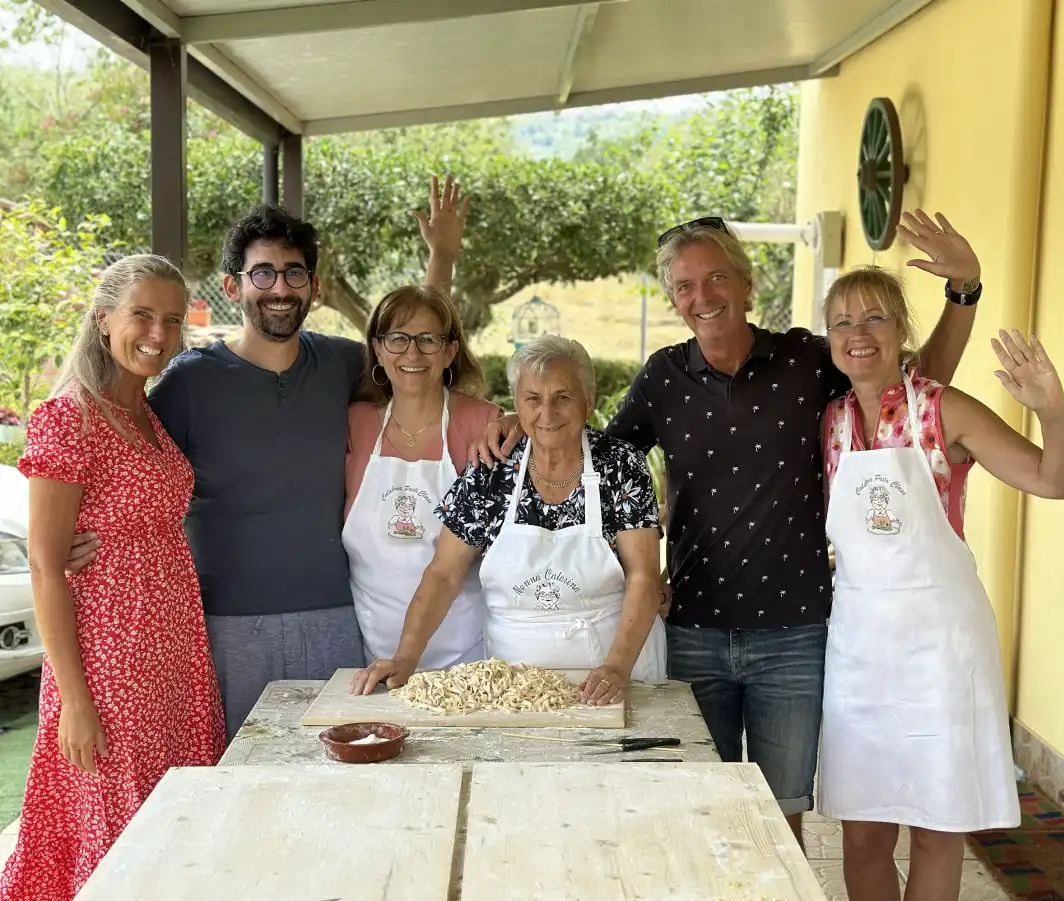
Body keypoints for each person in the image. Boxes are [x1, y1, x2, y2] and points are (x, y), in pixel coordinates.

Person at [473, 211, 982, 841]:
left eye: (715, 278)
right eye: (685, 286)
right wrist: (519, 419)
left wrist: (963, 293)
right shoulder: (663, 377)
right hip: (694, 628)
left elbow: (909, 391)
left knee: (780, 816)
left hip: (793, 632)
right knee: (696, 808)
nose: (702, 297)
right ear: (673, 299)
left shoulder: (805, 360)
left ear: (746, 284)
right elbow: (593, 454)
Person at [65, 176, 470, 741]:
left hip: (334, 618)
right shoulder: (190, 382)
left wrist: (441, 259)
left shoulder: (343, 364)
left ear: (315, 286)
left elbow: (419, 350)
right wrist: (85, 532)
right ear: (234, 286)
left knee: (334, 781)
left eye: (294, 273)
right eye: (263, 273)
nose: (279, 287)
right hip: (224, 627)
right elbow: (128, 464)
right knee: (235, 780)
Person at [817, 266, 1064, 901]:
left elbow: (1056, 480)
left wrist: (1053, 410)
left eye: (876, 317)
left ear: (902, 329)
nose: (859, 334)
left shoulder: (944, 408)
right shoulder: (828, 420)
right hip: (860, 652)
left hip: (941, 648)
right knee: (863, 836)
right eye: (843, 322)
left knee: (938, 830)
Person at [1, 257, 224, 901]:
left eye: (173, 320)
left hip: (176, 657)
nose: (159, 333)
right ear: (104, 321)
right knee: (122, 830)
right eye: (142, 315)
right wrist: (74, 699)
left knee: (177, 816)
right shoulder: (68, 416)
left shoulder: (147, 414)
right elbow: (45, 564)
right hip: (111, 667)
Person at [351, 335, 665, 704]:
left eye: (563, 397)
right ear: (516, 403)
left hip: (616, 675)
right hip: (514, 686)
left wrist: (616, 667)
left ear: (589, 400)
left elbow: (643, 576)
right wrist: (405, 657)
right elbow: (444, 573)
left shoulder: (620, 463)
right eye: (533, 399)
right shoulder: (492, 468)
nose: (546, 414)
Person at [343, 284, 500, 665]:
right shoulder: (356, 422)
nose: (412, 353)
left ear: (450, 352)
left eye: (428, 340)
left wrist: (517, 422)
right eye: (397, 339)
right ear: (378, 349)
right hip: (375, 653)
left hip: (469, 655)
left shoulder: (483, 422)